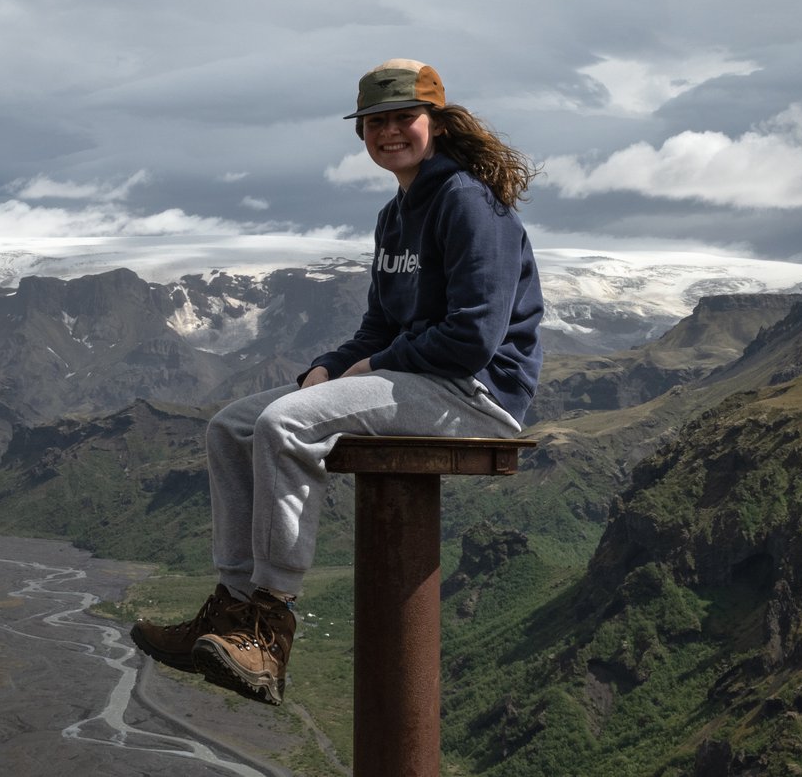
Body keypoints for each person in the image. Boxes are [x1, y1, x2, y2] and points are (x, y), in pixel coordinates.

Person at [130, 59, 543, 705]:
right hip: (419, 380)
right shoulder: (395, 213)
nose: (388, 132)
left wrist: (374, 366)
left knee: (286, 421)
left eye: (402, 117)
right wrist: (327, 365)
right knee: (232, 423)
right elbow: (379, 323)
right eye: (373, 122)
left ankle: (269, 624)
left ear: (434, 120)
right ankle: (231, 608)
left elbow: (473, 339)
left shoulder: (467, 201)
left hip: (477, 394)